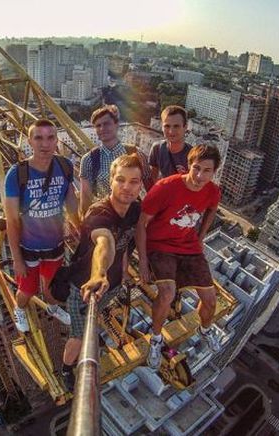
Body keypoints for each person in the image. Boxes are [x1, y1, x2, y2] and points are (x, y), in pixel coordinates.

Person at [60, 154, 144, 391]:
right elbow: (104, 244)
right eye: (121, 180)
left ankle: (91, 328)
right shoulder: (99, 213)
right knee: (78, 336)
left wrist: (123, 270)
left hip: (111, 285)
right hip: (84, 288)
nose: (127, 187)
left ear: (140, 185)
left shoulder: (135, 210)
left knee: (95, 315)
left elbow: (124, 243)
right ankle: (66, 369)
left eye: (134, 181)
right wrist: (99, 273)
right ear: (111, 181)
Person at [135, 144, 223, 369]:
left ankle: (205, 329)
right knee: (167, 294)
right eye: (196, 168)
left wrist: (201, 237)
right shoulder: (166, 187)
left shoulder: (212, 191)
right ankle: (156, 338)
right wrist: (143, 261)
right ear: (188, 166)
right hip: (160, 245)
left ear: (214, 172)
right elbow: (141, 224)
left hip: (189, 246)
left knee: (210, 300)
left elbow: (212, 209)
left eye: (206, 171)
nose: (199, 176)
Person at [3, 119, 79, 333]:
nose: (45, 144)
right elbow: (12, 220)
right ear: (30, 141)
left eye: (50, 137)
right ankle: (19, 309)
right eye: (38, 138)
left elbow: (71, 203)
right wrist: (17, 259)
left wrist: (79, 227)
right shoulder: (17, 174)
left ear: (56, 140)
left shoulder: (64, 166)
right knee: (27, 289)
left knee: (51, 286)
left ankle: (52, 307)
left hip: (55, 245)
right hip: (29, 248)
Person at [78, 104, 153, 217]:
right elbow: (86, 196)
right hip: (104, 214)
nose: (102, 128)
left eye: (107, 123)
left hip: (132, 213)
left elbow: (149, 187)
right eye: (98, 125)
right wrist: (86, 220)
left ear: (117, 124)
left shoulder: (135, 153)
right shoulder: (89, 159)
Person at [149, 105, 193, 182]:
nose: (171, 131)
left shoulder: (193, 154)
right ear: (162, 127)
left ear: (185, 127)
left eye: (176, 126)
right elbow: (153, 177)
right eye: (167, 126)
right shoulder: (157, 148)